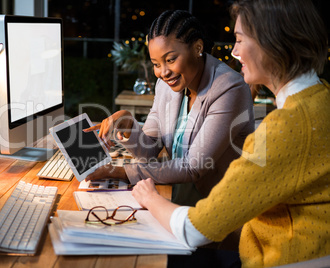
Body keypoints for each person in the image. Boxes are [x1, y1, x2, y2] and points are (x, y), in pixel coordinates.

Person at [131, 0, 330, 267]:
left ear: (273, 44)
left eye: (239, 40)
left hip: (279, 258)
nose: (234, 52)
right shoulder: (321, 98)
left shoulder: (285, 127)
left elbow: (197, 228)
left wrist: (149, 198)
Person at [85, 10, 254, 209]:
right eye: (156, 64)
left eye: (171, 59)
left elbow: (193, 166)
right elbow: (149, 152)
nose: (163, 72)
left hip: (222, 207)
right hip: (180, 195)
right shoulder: (166, 85)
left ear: (198, 47)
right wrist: (128, 124)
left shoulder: (228, 88)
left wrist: (122, 172)